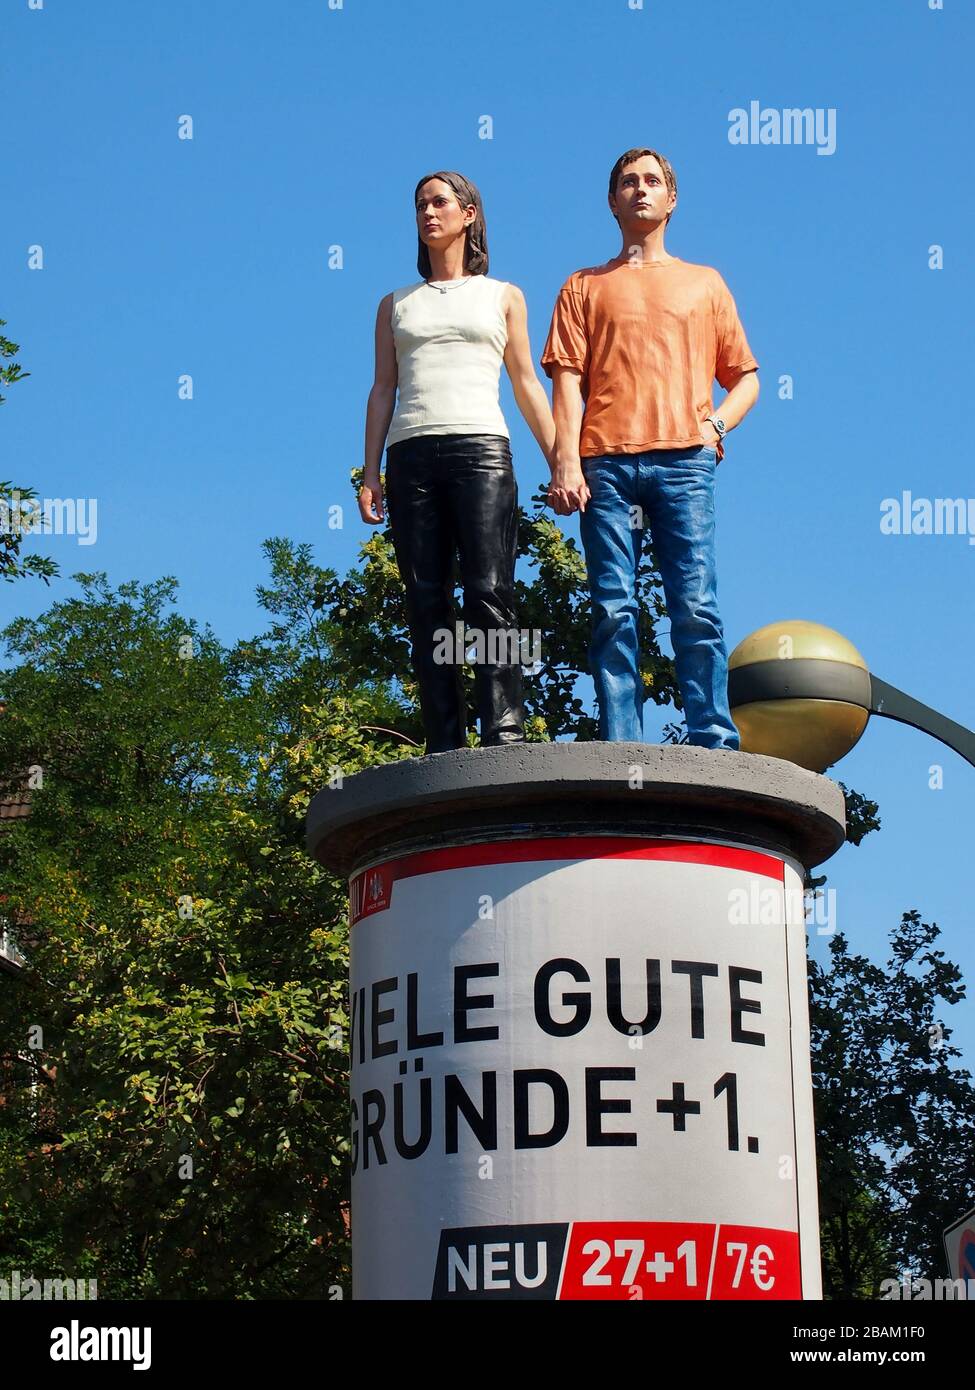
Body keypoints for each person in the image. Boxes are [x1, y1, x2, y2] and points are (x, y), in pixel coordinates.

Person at [541, 147, 760, 749]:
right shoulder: (582, 286)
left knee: (696, 607)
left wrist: (715, 426)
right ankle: (622, 745)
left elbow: (746, 378)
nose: (641, 189)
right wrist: (564, 460)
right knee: (614, 610)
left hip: (685, 462)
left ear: (672, 198)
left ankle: (713, 738)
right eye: (629, 182)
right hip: (603, 466)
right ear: (611, 200)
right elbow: (564, 382)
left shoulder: (704, 284)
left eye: (653, 181)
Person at [359, 171, 556, 754]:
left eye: (439, 202)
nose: (428, 212)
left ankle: (504, 730)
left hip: (482, 452)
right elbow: (381, 389)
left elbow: (526, 383)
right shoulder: (396, 305)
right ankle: (446, 740)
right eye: (420, 204)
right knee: (426, 600)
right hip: (411, 453)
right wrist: (370, 473)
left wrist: (560, 462)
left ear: (469, 213)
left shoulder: (503, 295)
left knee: (490, 592)